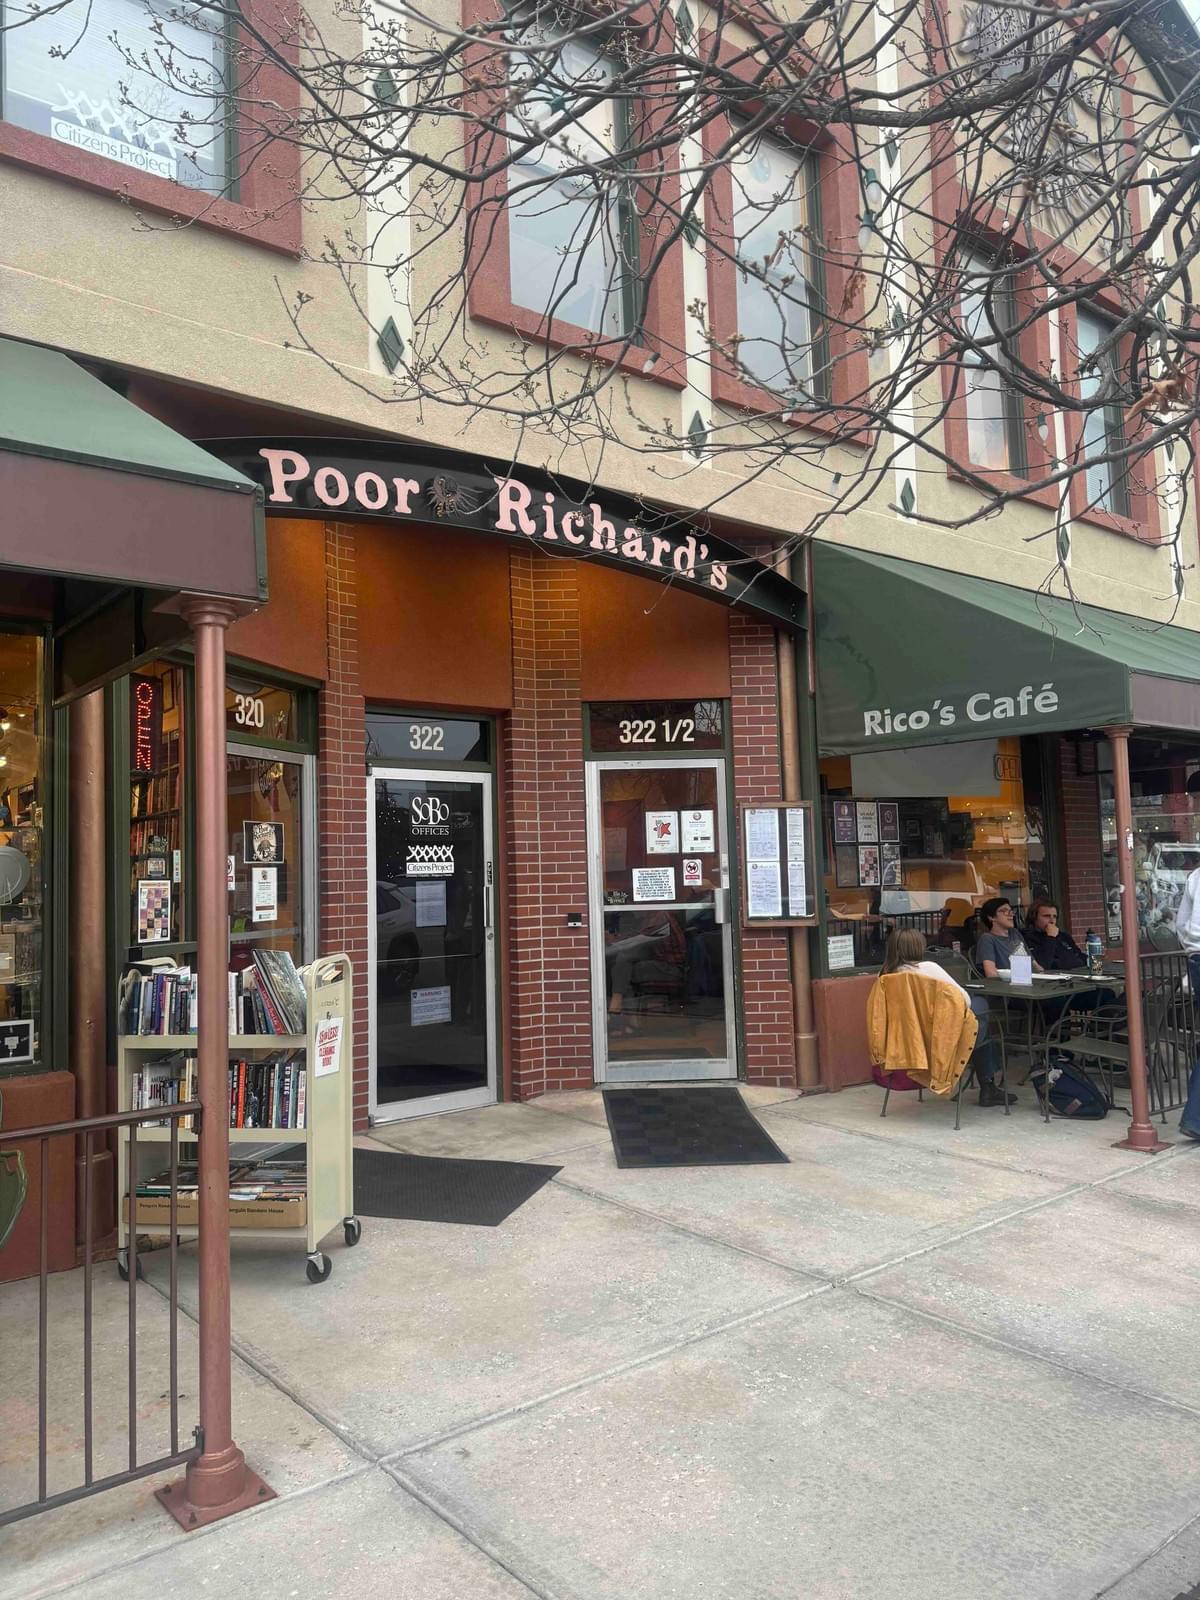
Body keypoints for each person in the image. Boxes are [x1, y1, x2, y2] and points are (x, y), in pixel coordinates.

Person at [881, 928, 1015, 1105]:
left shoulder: (885, 976)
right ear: (918, 946)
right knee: (979, 1010)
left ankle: (988, 1086)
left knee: (977, 1020)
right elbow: (963, 1000)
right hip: (941, 1039)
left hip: (910, 1039)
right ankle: (988, 1086)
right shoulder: (928, 968)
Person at [975, 897, 1034, 978]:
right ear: (991, 917)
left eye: (1011, 911)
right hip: (1008, 987)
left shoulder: (1015, 933)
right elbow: (991, 973)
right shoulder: (987, 939)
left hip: (1030, 981)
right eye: (1004, 911)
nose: (1010, 914)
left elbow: (1034, 964)